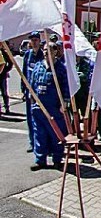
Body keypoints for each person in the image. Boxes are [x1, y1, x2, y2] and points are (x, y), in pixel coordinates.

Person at [28, 42, 69, 170]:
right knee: (39, 134)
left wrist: (65, 103)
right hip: (39, 106)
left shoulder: (60, 68)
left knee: (56, 134)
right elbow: (32, 83)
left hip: (54, 107)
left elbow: (65, 87)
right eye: (44, 50)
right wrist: (31, 97)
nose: (46, 52)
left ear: (55, 51)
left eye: (49, 50)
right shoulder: (38, 66)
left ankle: (57, 159)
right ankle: (40, 160)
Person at [21, 31, 43, 152]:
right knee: (30, 118)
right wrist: (23, 89)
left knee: (40, 119)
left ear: (39, 41)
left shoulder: (43, 55)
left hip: (40, 92)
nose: (34, 42)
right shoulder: (27, 55)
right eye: (32, 40)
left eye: (36, 40)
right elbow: (24, 73)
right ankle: (32, 142)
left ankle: (42, 144)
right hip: (29, 91)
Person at [0, 43, 13, 114]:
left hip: (2, 76)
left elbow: (10, 63)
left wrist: (6, 70)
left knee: (4, 92)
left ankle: (7, 107)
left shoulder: (4, 53)